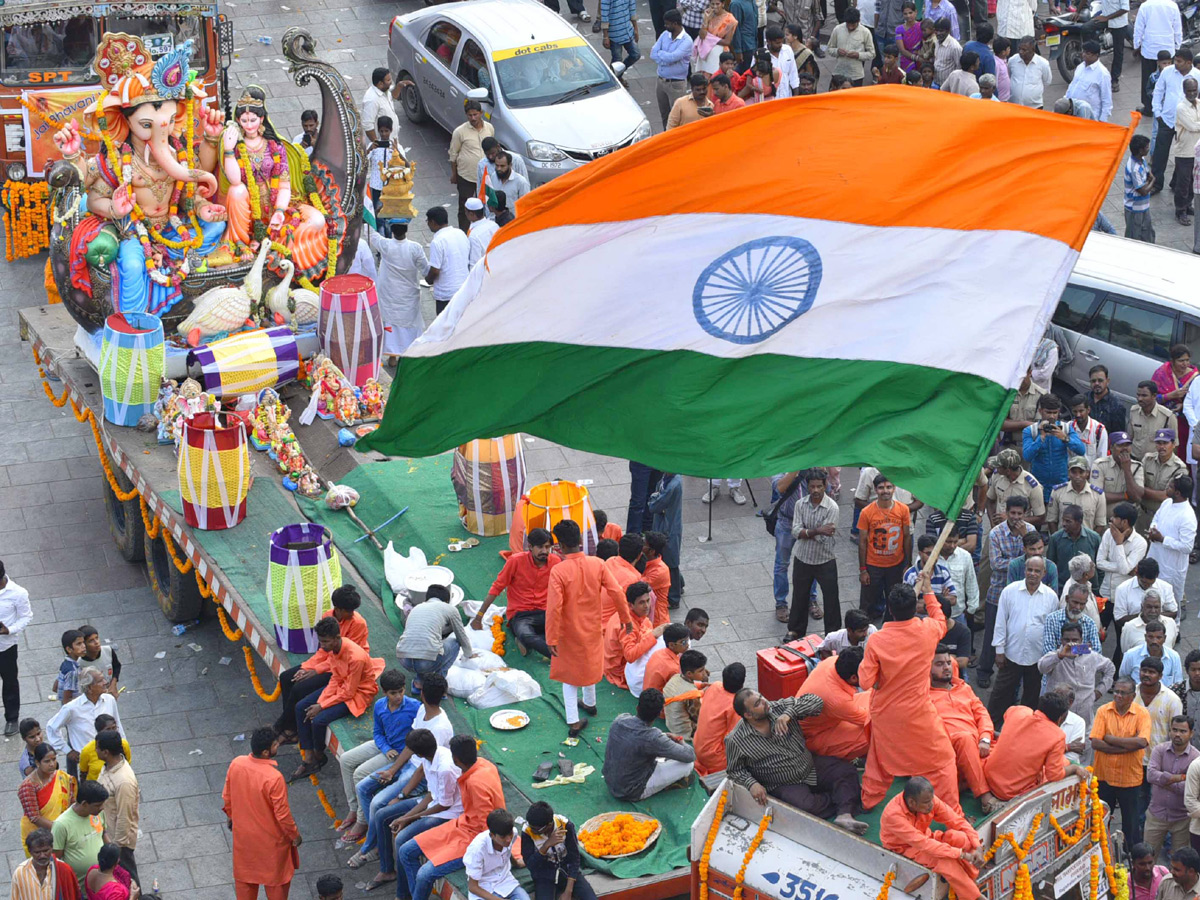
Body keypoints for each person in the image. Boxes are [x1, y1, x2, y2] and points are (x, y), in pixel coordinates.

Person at [860, 576, 961, 812]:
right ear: (914, 607)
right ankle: (954, 812)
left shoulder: (876, 640)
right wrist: (928, 592)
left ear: (889, 610)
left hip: (885, 714)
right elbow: (941, 620)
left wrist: (880, 679)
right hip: (918, 713)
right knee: (943, 760)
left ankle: (868, 801)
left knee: (878, 760)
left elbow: (865, 681)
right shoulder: (927, 630)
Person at [725, 688, 867, 833]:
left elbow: (816, 701)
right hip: (783, 783)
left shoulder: (778, 708)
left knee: (845, 770)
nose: (764, 701)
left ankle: (844, 815)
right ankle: (844, 797)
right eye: (757, 703)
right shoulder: (736, 740)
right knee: (806, 808)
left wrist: (789, 714)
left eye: (761, 696)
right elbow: (734, 770)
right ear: (748, 715)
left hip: (808, 766)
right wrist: (751, 784)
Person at [547, 519, 627, 737]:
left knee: (569, 677)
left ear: (560, 545)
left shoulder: (558, 571)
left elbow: (554, 607)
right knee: (590, 666)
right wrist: (626, 619)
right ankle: (590, 704)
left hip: (567, 631)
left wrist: (551, 637)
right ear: (579, 541)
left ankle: (573, 721)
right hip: (593, 627)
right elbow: (617, 592)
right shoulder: (597, 564)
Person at [291, 617, 385, 781]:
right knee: (301, 707)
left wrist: (321, 706)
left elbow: (349, 692)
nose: (322, 646)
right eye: (321, 641)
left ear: (337, 638)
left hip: (358, 694)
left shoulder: (355, 657)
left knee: (318, 720)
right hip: (341, 686)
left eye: (325, 641)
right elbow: (335, 678)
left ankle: (319, 755)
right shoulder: (334, 649)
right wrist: (321, 702)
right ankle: (308, 757)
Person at [334, 669, 420, 845]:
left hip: (399, 753)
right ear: (385, 692)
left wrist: (390, 751)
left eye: (401, 691)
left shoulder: (415, 707)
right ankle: (353, 808)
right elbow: (377, 732)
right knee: (346, 760)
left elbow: (417, 739)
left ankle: (362, 821)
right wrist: (385, 747)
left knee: (359, 774)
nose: (398, 696)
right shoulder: (380, 705)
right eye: (393, 693)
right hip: (383, 745)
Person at [274, 586, 369, 744]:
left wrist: (316, 671)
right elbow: (322, 651)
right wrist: (306, 667)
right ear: (337, 609)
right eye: (349, 610)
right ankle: (291, 725)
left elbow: (342, 658)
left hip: (344, 666)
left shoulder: (358, 624)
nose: (352, 614)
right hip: (329, 661)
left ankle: (286, 726)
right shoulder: (328, 618)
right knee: (286, 677)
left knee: (299, 688)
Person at [223, 727, 301, 900]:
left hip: (244, 840)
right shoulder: (274, 778)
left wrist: (232, 817)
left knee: (245, 883)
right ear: (266, 752)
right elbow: (283, 815)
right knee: (276, 886)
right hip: (271, 845)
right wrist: (294, 835)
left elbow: (227, 797)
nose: (277, 746)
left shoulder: (237, 763)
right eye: (275, 745)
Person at [878, 777, 984, 900]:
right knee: (944, 861)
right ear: (912, 803)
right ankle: (975, 897)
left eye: (931, 799)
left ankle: (971, 879)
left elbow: (957, 821)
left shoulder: (928, 799)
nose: (932, 805)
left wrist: (978, 846)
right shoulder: (893, 815)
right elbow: (924, 844)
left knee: (959, 837)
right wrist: (961, 854)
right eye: (927, 802)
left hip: (927, 837)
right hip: (905, 849)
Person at [929, 646, 1001, 811]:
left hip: (979, 745)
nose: (946, 667)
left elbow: (982, 715)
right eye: (939, 664)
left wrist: (984, 738)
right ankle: (985, 798)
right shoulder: (923, 696)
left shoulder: (964, 688)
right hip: (949, 749)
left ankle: (965, 783)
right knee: (964, 738)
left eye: (948, 662)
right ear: (927, 668)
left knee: (1012, 742)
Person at [990, 557, 1058, 725]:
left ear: (1044, 573)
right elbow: (1000, 622)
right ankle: (991, 726)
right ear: (1024, 571)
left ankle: (1025, 728)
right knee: (1001, 692)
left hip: (1037, 656)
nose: (1033, 574)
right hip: (1011, 653)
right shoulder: (1009, 591)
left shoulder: (1051, 597)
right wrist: (999, 650)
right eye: (1030, 570)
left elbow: (1052, 629)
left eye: (1037, 571)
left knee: (1032, 696)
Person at [473, 528, 559, 659]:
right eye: (540, 547)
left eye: (548, 547)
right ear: (530, 546)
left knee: (568, 628)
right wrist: (479, 617)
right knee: (526, 634)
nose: (545, 551)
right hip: (521, 614)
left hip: (546, 612)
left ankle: (526, 640)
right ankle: (560, 658)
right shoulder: (515, 561)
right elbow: (497, 588)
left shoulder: (555, 562)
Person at [979, 495, 1037, 689]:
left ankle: (1013, 675)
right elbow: (996, 564)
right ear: (1006, 512)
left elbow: (1036, 559)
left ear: (1026, 513)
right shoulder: (996, 534)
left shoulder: (1030, 531)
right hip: (998, 592)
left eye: (1020, 514)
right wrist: (1024, 561)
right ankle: (984, 671)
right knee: (992, 635)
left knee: (1018, 633)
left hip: (1024, 594)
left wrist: (1024, 539)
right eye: (1012, 513)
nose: (1015, 517)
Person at [984, 691, 1085, 800]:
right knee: (1062, 765)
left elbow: (1007, 715)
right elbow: (1054, 775)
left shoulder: (1018, 710)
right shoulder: (1057, 736)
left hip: (987, 779)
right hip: (1010, 792)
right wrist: (1074, 768)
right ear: (1060, 718)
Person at [1092, 676, 1153, 849]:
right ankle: (1102, 857)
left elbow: (1142, 742)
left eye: (1123, 693)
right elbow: (1096, 743)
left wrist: (1110, 739)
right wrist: (1128, 746)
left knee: (1131, 827)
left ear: (1133, 696)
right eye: (1116, 691)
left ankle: (1130, 862)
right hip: (1103, 777)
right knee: (1100, 823)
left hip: (1129, 780)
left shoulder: (1142, 713)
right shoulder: (1103, 710)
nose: (1118, 695)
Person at [603, 689, 695, 799]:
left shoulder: (620, 719)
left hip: (610, 780)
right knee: (688, 765)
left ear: (637, 707)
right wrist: (681, 741)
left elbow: (637, 739)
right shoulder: (653, 737)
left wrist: (663, 738)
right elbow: (690, 756)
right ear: (658, 714)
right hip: (631, 791)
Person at [397, 582, 474, 694]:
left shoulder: (416, 608)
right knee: (455, 643)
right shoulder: (450, 609)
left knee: (424, 643)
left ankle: (419, 682)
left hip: (404, 660)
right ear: (447, 601)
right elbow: (461, 636)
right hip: (426, 663)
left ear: (427, 598)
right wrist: (469, 654)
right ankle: (438, 685)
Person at [367, 221, 428, 362]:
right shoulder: (415, 248)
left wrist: (368, 217)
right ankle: (408, 354)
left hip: (390, 294)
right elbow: (426, 270)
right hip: (408, 295)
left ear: (391, 230)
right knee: (409, 325)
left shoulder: (386, 245)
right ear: (406, 229)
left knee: (391, 326)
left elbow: (370, 234)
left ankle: (392, 357)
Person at [790, 467, 840, 638]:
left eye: (819, 486)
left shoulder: (832, 507)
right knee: (799, 596)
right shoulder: (800, 504)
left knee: (831, 599)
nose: (816, 490)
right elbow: (795, 531)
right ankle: (796, 630)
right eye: (812, 487)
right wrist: (818, 530)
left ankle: (832, 635)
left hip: (825, 559)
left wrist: (808, 532)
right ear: (807, 486)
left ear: (825, 485)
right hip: (802, 557)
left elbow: (825, 537)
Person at [796, 648, 871, 762]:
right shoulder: (838, 700)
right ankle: (847, 756)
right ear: (853, 678)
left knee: (873, 697)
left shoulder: (832, 661)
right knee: (876, 731)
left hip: (831, 717)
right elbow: (870, 720)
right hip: (813, 737)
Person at [1039, 620, 1115, 730]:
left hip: (1085, 721)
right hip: (1057, 721)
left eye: (1075, 640)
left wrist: (1099, 691)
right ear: (1061, 640)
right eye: (1067, 640)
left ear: (1081, 640)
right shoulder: (1055, 656)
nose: (1071, 643)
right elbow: (1041, 668)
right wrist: (1060, 656)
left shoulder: (1090, 655)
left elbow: (1110, 668)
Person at [47, 669, 122, 779]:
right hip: (87, 764)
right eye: (100, 681)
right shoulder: (72, 708)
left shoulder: (109, 700)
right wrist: (68, 751)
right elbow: (51, 727)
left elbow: (118, 727)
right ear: (90, 687)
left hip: (112, 759)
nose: (105, 682)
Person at [857, 473, 912, 621]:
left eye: (888, 487)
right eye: (881, 488)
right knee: (867, 602)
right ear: (875, 490)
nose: (885, 491)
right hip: (873, 565)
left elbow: (907, 536)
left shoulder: (903, 510)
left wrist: (907, 563)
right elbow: (862, 542)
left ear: (894, 488)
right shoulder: (866, 512)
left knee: (894, 601)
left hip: (895, 564)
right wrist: (863, 570)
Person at [1146, 715, 1198, 858]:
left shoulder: (1196, 758)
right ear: (1170, 731)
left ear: (1191, 733)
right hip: (1156, 814)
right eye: (1174, 730)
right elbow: (1150, 776)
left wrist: (1163, 780)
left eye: (1182, 731)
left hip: (1182, 818)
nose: (1177, 734)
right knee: (1148, 858)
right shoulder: (1159, 750)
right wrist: (1178, 778)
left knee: (1180, 863)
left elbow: (1190, 789)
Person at [519, 802, 595, 900]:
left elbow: (574, 858)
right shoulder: (527, 831)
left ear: (549, 824)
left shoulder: (565, 825)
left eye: (536, 830)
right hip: (544, 875)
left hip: (567, 871)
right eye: (530, 827)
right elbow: (530, 865)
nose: (532, 830)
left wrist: (568, 891)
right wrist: (545, 846)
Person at [603, 582, 667, 695]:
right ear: (630, 605)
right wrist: (653, 636)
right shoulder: (627, 625)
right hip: (620, 670)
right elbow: (630, 655)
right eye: (641, 602)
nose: (647, 606)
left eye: (648, 600)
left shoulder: (638, 617)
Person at [94, 731, 138, 886]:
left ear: (106, 752)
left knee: (128, 879)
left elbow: (125, 817)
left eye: (97, 748)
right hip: (108, 833)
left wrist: (116, 848)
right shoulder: (108, 767)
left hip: (119, 842)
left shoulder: (124, 781)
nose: (95, 751)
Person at [1149, 474, 1197, 607]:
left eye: (1170, 486)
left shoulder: (1187, 516)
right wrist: (1152, 530)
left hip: (1171, 569)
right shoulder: (1166, 503)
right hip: (1155, 557)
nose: (1166, 488)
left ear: (1178, 493)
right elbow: (1156, 519)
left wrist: (1163, 539)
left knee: (1170, 605)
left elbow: (1187, 547)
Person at [19, 743, 76, 855]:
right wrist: (59, 829)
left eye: (54, 759)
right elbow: (35, 817)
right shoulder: (28, 786)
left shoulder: (62, 777)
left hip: (62, 830)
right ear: (37, 763)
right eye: (47, 761)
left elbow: (71, 802)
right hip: (38, 837)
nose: (52, 764)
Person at [448, 100, 494, 232]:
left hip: (486, 176)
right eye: (470, 115)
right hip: (466, 176)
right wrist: (454, 175)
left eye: (475, 114)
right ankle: (464, 232)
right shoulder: (460, 132)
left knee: (486, 204)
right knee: (465, 207)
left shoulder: (489, 128)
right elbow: (453, 154)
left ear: (481, 113)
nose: (473, 118)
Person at [52, 778, 107, 887]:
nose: (102, 807)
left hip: (102, 884)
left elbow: (103, 832)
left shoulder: (97, 813)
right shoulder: (61, 825)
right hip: (78, 889)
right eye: (98, 805)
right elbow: (56, 860)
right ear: (84, 804)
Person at [694, 663, 745, 777]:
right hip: (714, 758)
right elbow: (736, 740)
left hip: (697, 746)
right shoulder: (735, 706)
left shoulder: (715, 686)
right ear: (742, 683)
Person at [463, 809, 526, 900]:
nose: (508, 839)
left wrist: (517, 863)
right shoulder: (477, 850)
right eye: (503, 837)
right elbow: (473, 887)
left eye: (510, 834)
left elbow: (508, 851)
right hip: (483, 887)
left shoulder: (513, 833)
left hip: (506, 882)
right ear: (492, 835)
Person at [0, 558, 32, 734]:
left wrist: (9, 630)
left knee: (10, 682)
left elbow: (26, 617)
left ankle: (12, 718)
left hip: (5, 647)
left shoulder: (18, 593)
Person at [651, 10, 694, 127]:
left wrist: (661, 55)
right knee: (664, 115)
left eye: (667, 24)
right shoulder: (664, 34)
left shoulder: (687, 40)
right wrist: (665, 57)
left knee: (677, 118)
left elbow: (673, 57)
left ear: (675, 24)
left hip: (676, 85)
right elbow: (653, 53)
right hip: (661, 82)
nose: (665, 26)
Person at [425, 206, 470, 316]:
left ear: (433, 222)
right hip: (463, 289)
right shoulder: (460, 233)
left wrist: (428, 279)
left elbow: (435, 270)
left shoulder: (437, 241)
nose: (428, 224)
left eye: (428, 221)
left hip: (446, 294)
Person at [12, 829, 81, 900]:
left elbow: (73, 894)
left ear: (51, 848)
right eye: (37, 852)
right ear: (30, 852)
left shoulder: (64, 869)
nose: (42, 855)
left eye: (45, 851)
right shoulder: (20, 872)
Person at [648, 474, 684, 607]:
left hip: (668, 529)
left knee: (671, 562)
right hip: (666, 525)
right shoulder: (668, 479)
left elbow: (655, 505)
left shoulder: (673, 485)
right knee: (670, 560)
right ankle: (679, 585)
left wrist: (653, 497)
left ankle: (674, 598)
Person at [1047, 460, 1107, 534]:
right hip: (1063, 540)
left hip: (1087, 541)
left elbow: (1100, 524)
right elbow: (1051, 521)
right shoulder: (1057, 492)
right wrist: (1058, 541)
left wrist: (1091, 542)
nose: (1077, 476)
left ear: (1087, 473)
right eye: (1074, 472)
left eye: (1081, 472)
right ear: (1069, 473)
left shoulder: (1098, 494)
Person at [1124, 620, 1184, 685]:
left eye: (1158, 637)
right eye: (1150, 637)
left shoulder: (1174, 656)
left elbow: (1178, 682)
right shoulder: (1131, 655)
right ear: (1145, 637)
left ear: (1164, 638)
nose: (1154, 641)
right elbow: (1124, 678)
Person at [663, 650, 707, 737]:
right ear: (689, 674)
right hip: (684, 732)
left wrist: (701, 685)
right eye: (701, 671)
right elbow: (698, 717)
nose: (705, 673)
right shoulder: (692, 694)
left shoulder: (675, 677)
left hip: (670, 723)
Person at [1121, 591, 1179, 656]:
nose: (1153, 611)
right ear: (1142, 607)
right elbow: (1125, 653)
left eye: (1156, 607)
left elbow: (1171, 645)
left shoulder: (1170, 623)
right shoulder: (1129, 627)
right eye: (1149, 607)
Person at [827, 7, 874, 85]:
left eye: (853, 24)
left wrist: (858, 55)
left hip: (856, 75)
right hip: (839, 72)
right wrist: (837, 51)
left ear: (858, 21)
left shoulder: (865, 32)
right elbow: (829, 49)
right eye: (848, 24)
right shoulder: (837, 29)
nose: (850, 27)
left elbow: (872, 54)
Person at [1124, 134, 1158, 242]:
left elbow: (1148, 174)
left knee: (1148, 234)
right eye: (1147, 147)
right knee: (1135, 238)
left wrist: (1149, 180)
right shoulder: (1134, 168)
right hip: (1135, 210)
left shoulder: (1142, 160)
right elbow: (1143, 191)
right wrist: (1153, 181)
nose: (1149, 149)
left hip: (1143, 207)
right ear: (1140, 150)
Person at [644, 623, 691, 693]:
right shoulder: (673, 669)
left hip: (646, 693)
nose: (687, 645)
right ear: (671, 645)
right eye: (683, 642)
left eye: (687, 640)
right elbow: (677, 690)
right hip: (658, 701)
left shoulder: (658, 653)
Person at [642, 532, 674, 625]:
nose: (640, 546)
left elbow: (636, 584)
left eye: (643, 544)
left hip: (657, 621)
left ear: (651, 551)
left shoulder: (660, 571)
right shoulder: (645, 561)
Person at [465, 197, 498, 267]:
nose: (465, 214)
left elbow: (474, 264)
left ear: (471, 214)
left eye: (466, 212)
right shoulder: (494, 225)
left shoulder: (473, 236)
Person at [56, 629, 85, 706]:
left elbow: (55, 686)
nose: (84, 646)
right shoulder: (72, 671)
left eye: (83, 642)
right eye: (79, 644)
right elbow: (66, 700)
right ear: (69, 649)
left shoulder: (66, 663)